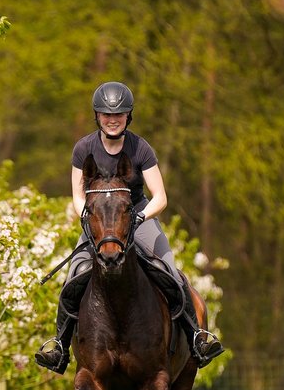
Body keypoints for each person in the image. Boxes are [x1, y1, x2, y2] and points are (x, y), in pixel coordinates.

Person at [34, 81, 225, 374]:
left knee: (170, 273)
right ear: (97, 116)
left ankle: (196, 338)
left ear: (128, 116)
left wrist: (139, 217)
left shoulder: (140, 148)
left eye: (119, 115)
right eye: (107, 115)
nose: (113, 120)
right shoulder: (83, 148)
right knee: (75, 276)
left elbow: (160, 196)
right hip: (98, 222)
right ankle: (59, 346)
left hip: (137, 217)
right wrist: (88, 218)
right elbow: (77, 195)